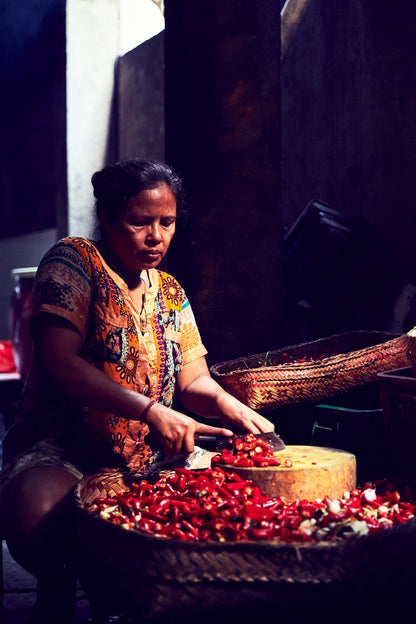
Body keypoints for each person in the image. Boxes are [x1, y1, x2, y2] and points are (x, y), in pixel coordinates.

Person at [0, 158, 275, 624]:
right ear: (107, 217)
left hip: (146, 453)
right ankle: (59, 587)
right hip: (61, 445)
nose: (156, 236)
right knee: (39, 513)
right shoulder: (74, 262)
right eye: (139, 222)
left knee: (243, 497)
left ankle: (129, 595)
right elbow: (58, 361)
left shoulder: (169, 292)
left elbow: (194, 381)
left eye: (166, 223)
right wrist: (151, 410)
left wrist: (229, 405)